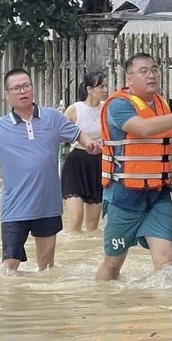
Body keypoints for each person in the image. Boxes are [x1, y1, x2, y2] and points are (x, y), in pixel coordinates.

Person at [0, 68, 102, 273]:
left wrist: (89, 142)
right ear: (7, 94)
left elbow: (76, 133)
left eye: (26, 85)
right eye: (16, 88)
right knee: (9, 268)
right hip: (14, 208)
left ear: (32, 88)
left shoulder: (52, 118)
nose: (22, 91)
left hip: (47, 206)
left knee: (46, 269)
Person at [95, 52, 172, 281]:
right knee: (112, 263)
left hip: (158, 195)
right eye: (144, 71)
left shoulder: (160, 104)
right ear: (129, 79)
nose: (151, 75)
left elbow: (170, 137)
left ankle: (162, 312)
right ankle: (105, 306)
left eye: (154, 69)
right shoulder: (118, 105)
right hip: (124, 196)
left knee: (167, 260)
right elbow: (144, 129)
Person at [61, 71, 108, 233]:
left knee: (93, 224)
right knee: (75, 219)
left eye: (105, 86)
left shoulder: (108, 108)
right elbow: (60, 134)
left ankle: (90, 255)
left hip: (99, 164)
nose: (105, 90)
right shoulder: (75, 109)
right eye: (101, 86)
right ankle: (71, 254)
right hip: (76, 164)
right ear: (89, 89)